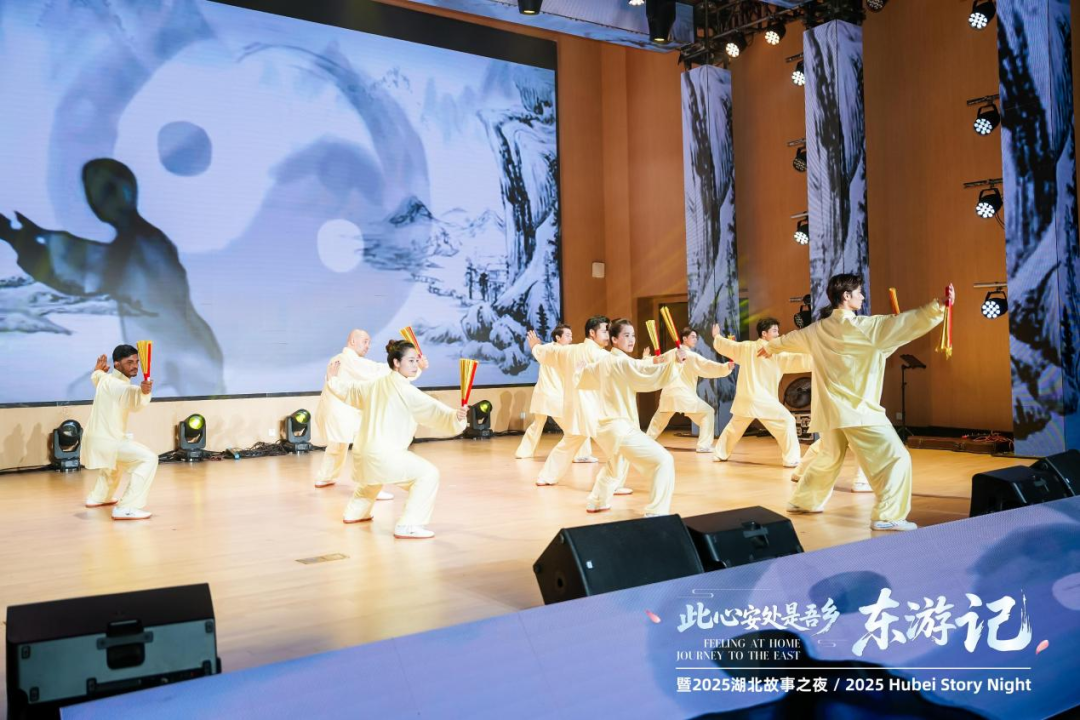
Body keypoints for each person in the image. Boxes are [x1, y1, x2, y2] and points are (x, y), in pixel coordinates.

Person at [0, 159, 224, 396]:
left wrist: (21, 239)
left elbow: (92, 273)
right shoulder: (138, 241)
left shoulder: (142, 244)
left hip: (186, 355)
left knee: (82, 396)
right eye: (93, 194)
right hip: (159, 355)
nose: (101, 202)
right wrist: (28, 238)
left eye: (108, 190)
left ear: (129, 190)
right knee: (82, 395)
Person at [759, 274, 954, 531]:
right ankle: (888, 516)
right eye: (859, 292)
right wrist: (937, 306)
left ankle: (803, 501)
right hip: (857, 411)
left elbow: (789, 339)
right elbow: (906, 322)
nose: (862, 297)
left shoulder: (817, 330)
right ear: (846, 296)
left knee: (829, 456)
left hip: (830, 412)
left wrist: (771, 347)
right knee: (896, 458)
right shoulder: (866, 327)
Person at [327, 340, 466, 539]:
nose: (415, 365)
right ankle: (408, 525)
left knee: (372, 479)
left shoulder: (376, 384)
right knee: (428, 474)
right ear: (396, 362)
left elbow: (350, 391)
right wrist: (455, 417)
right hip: (385, 455)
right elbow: (433, 410)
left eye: (416, 361)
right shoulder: (406, 391)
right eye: (411, 361)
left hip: (363, 452)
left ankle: (355, 512)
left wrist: (332, 380)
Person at [576, 319, 686, 516]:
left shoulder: (605, 361)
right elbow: (644, 372)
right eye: (626, 335)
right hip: (620, 428)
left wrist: (580, 371)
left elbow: (588, 375)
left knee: (616, 465)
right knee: (663, 461)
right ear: (614, 339)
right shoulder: (621, 362)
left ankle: (597, 501)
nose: (631, 339)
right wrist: (676, 365)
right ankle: (656, 513)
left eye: (633, 335)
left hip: (606, 428)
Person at [312, 329, 427, 498]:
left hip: (336, 412)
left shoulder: (339, 359)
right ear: (352, 341)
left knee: (338, 445)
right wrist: (416, 367)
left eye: (369, 342)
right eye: (365, 341)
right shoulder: (349, 360)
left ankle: (325, 477)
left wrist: (415, 365)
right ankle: (370, 488)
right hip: (343, 414)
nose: (368, 346)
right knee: (368, 447)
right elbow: (379, 372)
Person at [711, 318, 813, 467]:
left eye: (778, 331)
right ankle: (791, 459)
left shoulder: (747, 347)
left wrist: (717, 337)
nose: (778, 334)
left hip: (746, 398)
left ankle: (719, 453)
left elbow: (728, 346)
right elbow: (800, 360)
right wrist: (819, 356)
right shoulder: (776, 353)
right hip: (762, 399)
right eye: (775, 331)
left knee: (734, 428)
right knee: (787, 421)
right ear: (764, 334)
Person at [525, 316, 610, 487]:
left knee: (569, 442)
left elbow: (549, 353)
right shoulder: (601, 355)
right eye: (605, 331)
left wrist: (535, 347)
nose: (608, 335)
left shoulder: (571, 350)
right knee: (615, 447)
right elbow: (628, 367)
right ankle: (613, 483)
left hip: (576, 408)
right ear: (592, 333)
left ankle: (546, 476)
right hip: (593, 411)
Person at [82, 345, 157, 520]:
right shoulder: (119, 385)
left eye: (136, 362)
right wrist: (143, 391)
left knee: (115, 463)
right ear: (116, 364)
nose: (135, 366)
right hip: (108, 441)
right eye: (129, 362)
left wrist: (96, 370)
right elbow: (131, 397)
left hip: (97, 439)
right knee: (149, 458)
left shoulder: (105, 378)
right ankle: (128, 507)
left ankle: (99, 496)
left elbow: (97, 376)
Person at [515, 324, 596, 463]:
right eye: (567, 335)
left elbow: (538, 350)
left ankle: (523, 452)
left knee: (537, 425)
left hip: (543, 395)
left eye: (571, 335)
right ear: (558, 337)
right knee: (574, 426)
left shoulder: (549, 349)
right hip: (553, 396)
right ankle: (581, 454)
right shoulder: (560, 351)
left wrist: (535, 345)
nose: (571, 339)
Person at [645, 326, 734, 453]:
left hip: (668, 394)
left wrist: (646, 359)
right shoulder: (690, 355)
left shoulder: (671, 353)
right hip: (683, 395)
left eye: (696, 337)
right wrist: (726, 367)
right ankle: (703, 445)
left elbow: (657, 361)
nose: (695, 339)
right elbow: (707, 366)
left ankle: (645, 443)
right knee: (707, 413)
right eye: (692, 337)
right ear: (684, 338)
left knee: (657, 422)